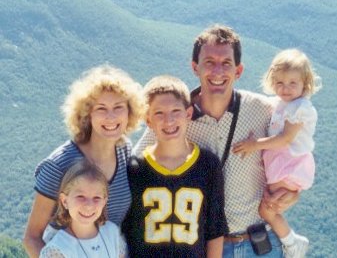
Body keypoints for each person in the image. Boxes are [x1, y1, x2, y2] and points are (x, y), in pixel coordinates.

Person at [134, 25, 300, 257]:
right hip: (208, 247)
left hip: (260, 244)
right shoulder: (176, 118)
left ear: (238, 70)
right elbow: (134, 167)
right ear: (195, 67)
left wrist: (294, 191)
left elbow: (294, 152)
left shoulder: (263, 110)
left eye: (226, 63)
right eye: (209, 62)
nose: (218, 71)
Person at [23, 64, 144, 258]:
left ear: (130, 112)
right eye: (101, 108)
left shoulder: (124, 151)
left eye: (118, 107)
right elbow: (32, 238)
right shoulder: (59, 164)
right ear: (87, 114)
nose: (111, 117)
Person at [124, 75, 226, 257]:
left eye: (175, 111)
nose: (168, 120)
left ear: (188, 114)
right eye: (159, 113)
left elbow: (215, 229)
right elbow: (127, 230)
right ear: (148, 121)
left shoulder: (208, 164)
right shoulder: (135, 169)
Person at [233, 49, 321, 257]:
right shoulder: (281, 104)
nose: (286, 88)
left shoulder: (299, 107)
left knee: (268, 210)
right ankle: (290, 240)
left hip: (289, 166)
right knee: (270, 206)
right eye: (280, 83)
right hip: (283, 165)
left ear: (305, 84)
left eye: (293, 83)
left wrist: (254, 145)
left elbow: (286, 138)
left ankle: (292, 243)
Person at [40, 159, 126, 258]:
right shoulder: (57, 249)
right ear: (65, 201)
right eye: (80, 197)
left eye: (96, 198)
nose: (89, 205)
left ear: (104, 202)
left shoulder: (112, 233)